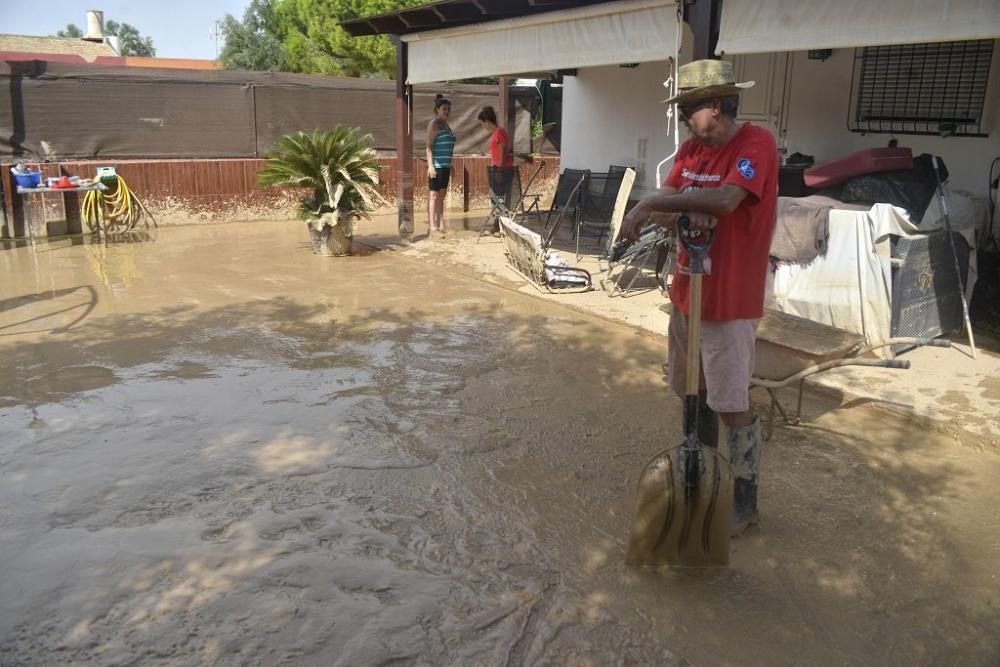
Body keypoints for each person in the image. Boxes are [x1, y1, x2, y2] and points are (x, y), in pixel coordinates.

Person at [620, 59, 778, 535]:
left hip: (729, 300)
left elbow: (728, 200)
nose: (686, 121)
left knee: (730, 402)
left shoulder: (756, 144)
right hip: (687, 293)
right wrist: (674, 206)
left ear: (715, 106)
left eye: (690, 110)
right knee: (694, 395)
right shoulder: (692, 151)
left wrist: (654, 204)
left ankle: (744, 503)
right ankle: (704, 480)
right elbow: (673, 206)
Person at [478, 105, 513, 233]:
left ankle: (502, 225)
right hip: (498, 168)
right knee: (497, 197)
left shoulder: (499, 133)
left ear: (487, 121)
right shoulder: (497, 133)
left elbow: (503, 151)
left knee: (499, 198)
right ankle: (497, 225)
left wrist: (499, 170)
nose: (483, 127)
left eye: (483, 124)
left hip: (501, 169)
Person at [426, 94, 456, 238]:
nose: (447, 111)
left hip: (445, 165)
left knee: (442, 196)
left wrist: (451, 164)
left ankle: (441, 224)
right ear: (437, 109)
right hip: (436, 165)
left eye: (448, 109)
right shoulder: (434, 124)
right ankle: (433, 227)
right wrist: (430, 166)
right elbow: (428, 147)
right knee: (433, 195)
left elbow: (449, 147)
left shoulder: (447, 126)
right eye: (444, 109)